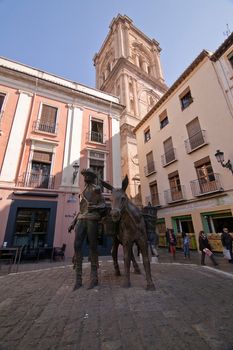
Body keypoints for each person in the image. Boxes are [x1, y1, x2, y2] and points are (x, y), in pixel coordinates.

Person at [68, 168, 106, 290]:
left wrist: (94, 206)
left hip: (92, 219)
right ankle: (78, 279)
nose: (85, 177)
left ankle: (94, 277)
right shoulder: (82, 190)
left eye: (88, 175)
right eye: (84, 175)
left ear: (92, 177)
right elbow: (81, 209)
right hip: (81, 219)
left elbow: (104, 205)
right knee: (77, 245)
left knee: (92, 247)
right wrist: (73, 222)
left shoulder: (97, 189)